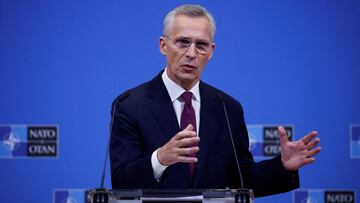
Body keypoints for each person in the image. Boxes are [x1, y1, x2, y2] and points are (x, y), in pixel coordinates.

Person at [109, 4, 321, 197]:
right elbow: (121, 181)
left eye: (201, 45)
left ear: (211, 51)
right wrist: (160, 158)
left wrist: (283, 166)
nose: (191, 53)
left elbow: (242, 178)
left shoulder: (227, 108)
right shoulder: (129, 105)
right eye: (183, 42)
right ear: (163, 45)